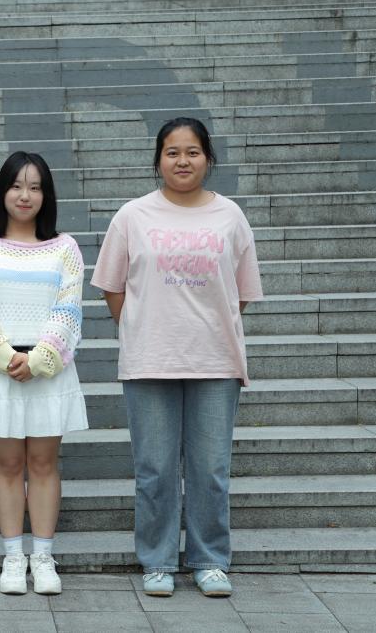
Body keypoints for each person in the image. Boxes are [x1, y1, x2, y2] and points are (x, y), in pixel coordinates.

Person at [91, 117, 263, 598]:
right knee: (155, 469)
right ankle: (158, 561)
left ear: (208, 158)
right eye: (172, 152)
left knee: (211, 470)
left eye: (192, 152)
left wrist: (206, 324)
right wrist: (143, 326)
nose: (182, 161)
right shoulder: (132, 216)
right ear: (158, 160)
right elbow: (112, 287)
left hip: (215, 361)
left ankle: (210, 560)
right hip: (150, 359)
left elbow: (239, 293)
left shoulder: (230, 216)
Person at [0, 151, 88, 596]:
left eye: (35, 187)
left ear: (46, 195)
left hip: (48, 371)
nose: (25, 195)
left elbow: (69, 309)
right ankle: (14, 557)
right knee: (9, 464)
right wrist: (5, 356)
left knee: (44, 464)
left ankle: (44, 557)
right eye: (16, 186)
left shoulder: (65, 248)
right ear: (2, 192)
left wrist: (38, 359)